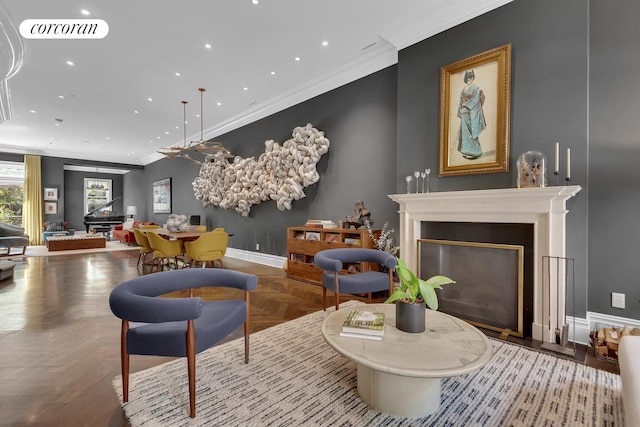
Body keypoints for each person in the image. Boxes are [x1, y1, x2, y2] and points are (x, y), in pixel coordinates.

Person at [456, 70, 486, 160]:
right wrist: (461, 109)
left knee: (472, 132)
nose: (470, 79)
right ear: (466, 79)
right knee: (464, 132)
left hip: (471, 112)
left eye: (472, 77)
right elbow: (461, 101)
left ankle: (476, 151)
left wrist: (467, 106)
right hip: (464, 112)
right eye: (469, 78)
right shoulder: (463, 89)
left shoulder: (475, 88)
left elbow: (476, 99)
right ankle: (465, 150)